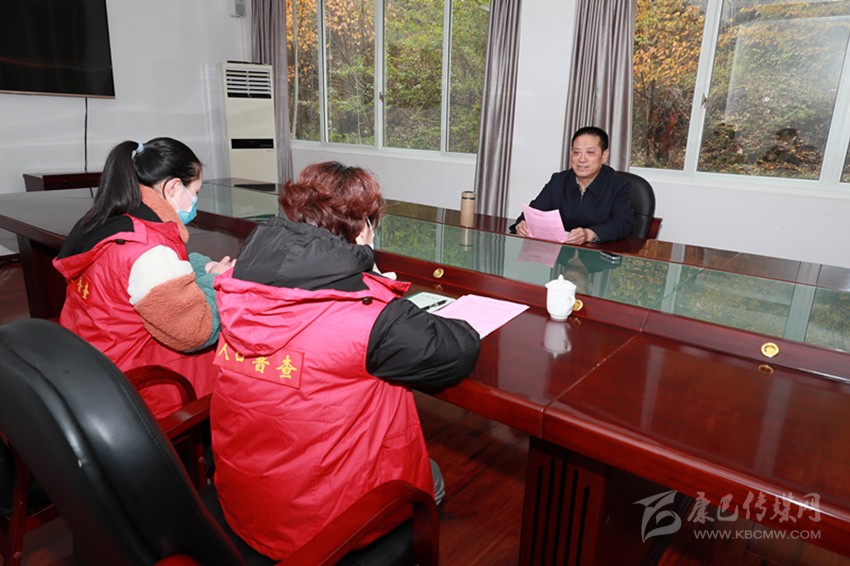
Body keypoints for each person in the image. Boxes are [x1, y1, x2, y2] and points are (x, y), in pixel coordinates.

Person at [210, 161, 481, 560]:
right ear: (363, 229)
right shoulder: (369, 319)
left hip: (244, 502)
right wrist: (372, 277)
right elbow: (458, 349)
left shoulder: (237, 284)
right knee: (432, 477)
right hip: (326, 531)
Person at [53, 137, 234, 418]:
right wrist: (217, 282)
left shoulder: (113, 219)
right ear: (173, 187)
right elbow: (195, 332)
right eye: (195, 191)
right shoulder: (151, 253)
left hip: (92, 360)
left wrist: (204, 268)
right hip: (139, 386)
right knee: (229, 360)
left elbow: (165, 269)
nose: (195, 201)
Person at [510, 126, 634, 244]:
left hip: (600, 253)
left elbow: (623, 223)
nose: (582, 159)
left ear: (604, 156)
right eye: (576, 152)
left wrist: (589, 234)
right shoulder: (558, 181)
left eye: (590, 153)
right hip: (562, 253)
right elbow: (534, 212)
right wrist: (523, 224)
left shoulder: (618, 185)